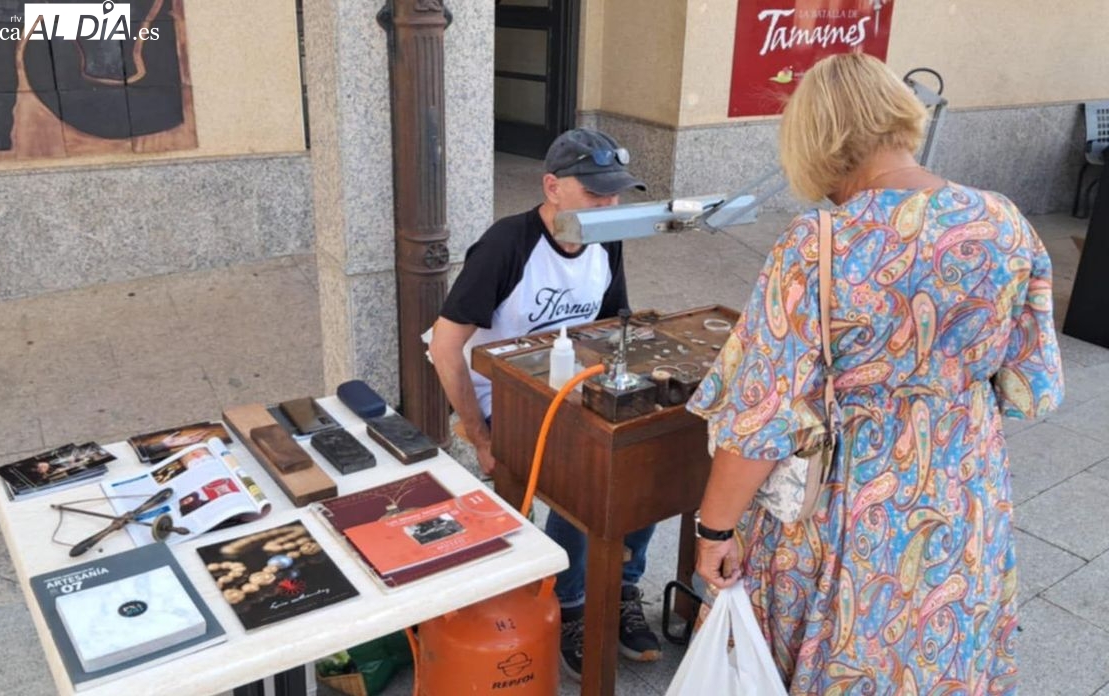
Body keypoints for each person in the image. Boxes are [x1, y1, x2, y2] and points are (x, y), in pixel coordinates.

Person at [687, 53, 1063, 694]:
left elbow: (759, 418)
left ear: (820, 138)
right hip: (964, 499)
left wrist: (713, 530)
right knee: (938, 656)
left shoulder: (817, 244)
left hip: (846, 510)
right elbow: (1031, 383)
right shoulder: (1005, 220)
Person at [429, 127, 662, 680]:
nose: (609, 206)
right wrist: (481, 435)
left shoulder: (606, 235)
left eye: (615, 194)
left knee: (651, 447)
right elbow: (444, 345)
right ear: (553, 187)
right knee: (590, 467)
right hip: (504, 393)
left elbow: (612, 324)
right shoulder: (506, 244)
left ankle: (624, 583)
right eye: (595, 193)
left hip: (572, 379)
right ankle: (573, 599)